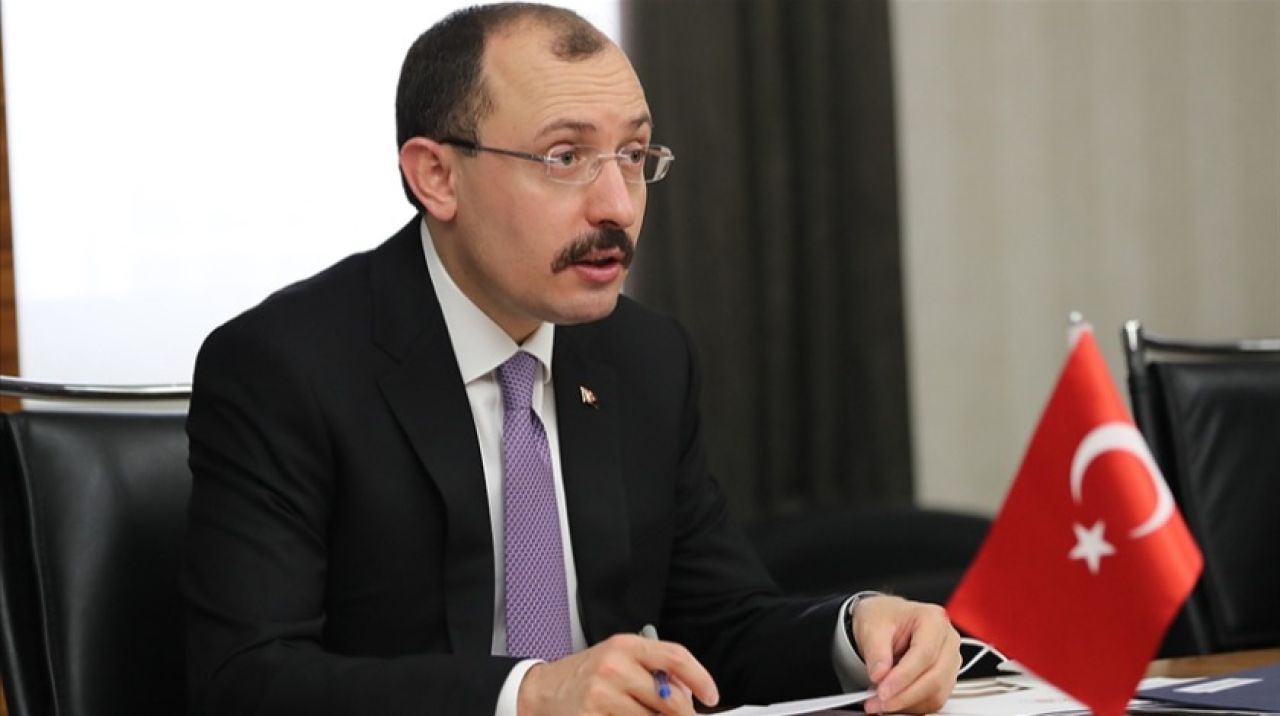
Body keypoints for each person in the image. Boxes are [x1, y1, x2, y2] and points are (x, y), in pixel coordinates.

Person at [180, 4, 962, 715]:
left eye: (633, 154)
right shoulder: (285, 368)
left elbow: (719, 625)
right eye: (565, 157)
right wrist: (527, 696)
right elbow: (246, 681)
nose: (617, 205)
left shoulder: (647, 357)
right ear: (436, 176)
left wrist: (857, 631)